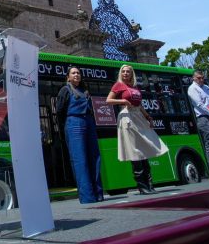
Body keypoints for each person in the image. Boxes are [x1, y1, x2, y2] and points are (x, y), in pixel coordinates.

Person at [106, 64, 168, 194]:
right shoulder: (118, 85)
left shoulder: (134, 87)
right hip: (127, 116)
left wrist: (147, 116)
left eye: (128, 71)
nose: (125, 73)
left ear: (132, 74)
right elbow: (108, 100)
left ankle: (150, 184)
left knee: (145, 149)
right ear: (120, 73)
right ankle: (142, 186)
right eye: (123, 71)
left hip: (139, 116)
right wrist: (123, 101)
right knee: (135, 151)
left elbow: (139, 104)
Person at [56, 66, 105, 203]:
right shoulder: (65, 90)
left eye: (78, 73)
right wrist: (64, 128)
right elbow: (59, 111)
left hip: (89, 123)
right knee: (80, 160)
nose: (76, 75)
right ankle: (87, 197)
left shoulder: (85, 91)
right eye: (73, 73)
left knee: (95, 158)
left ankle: (98, 193)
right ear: (68, 77)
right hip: (74, 123)